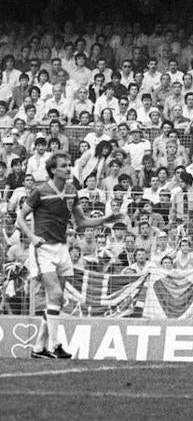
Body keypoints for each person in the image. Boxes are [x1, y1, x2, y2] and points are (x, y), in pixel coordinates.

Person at [17, 151, 122, 359]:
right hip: (43, 248)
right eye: (64, 165)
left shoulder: (72, 191)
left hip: (62, 248)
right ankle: (55, 345)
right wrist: (31, 236)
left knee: (56, 300)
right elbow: (20, 219)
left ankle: (39, 349)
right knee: (55, 295)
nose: (68, 168)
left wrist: (107, 219)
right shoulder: (40, 191)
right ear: (53, 170)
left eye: (69, 165)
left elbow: (81, 222)